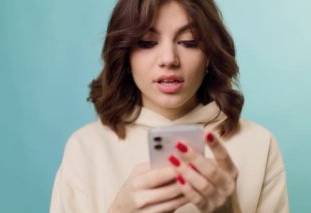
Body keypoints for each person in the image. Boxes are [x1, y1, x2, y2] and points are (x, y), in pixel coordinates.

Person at [50, 0, 289, 212]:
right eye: (146, 42)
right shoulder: (85, 148)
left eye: (189, 42)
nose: (169, 59)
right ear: (124, 55)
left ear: (209, 54)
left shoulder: (259, 144)